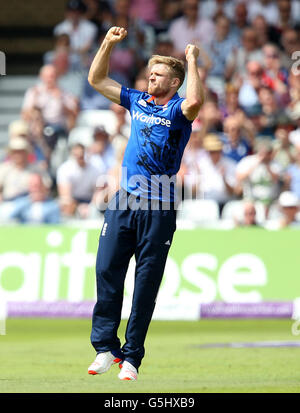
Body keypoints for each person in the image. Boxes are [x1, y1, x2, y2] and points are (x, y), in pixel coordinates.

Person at [87, 26, 204, 380]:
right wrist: (107, 44)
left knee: (146, 283)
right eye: (150, 72)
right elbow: (97, 80)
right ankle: (106, 347)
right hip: (124, 201)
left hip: (159, 207)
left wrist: (192, 61)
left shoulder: (179, 110)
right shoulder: (137, 100)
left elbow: (196, 101)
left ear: (174, 82)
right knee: (107, 269)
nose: (151, 77)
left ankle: (132, 356)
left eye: (159, 74)